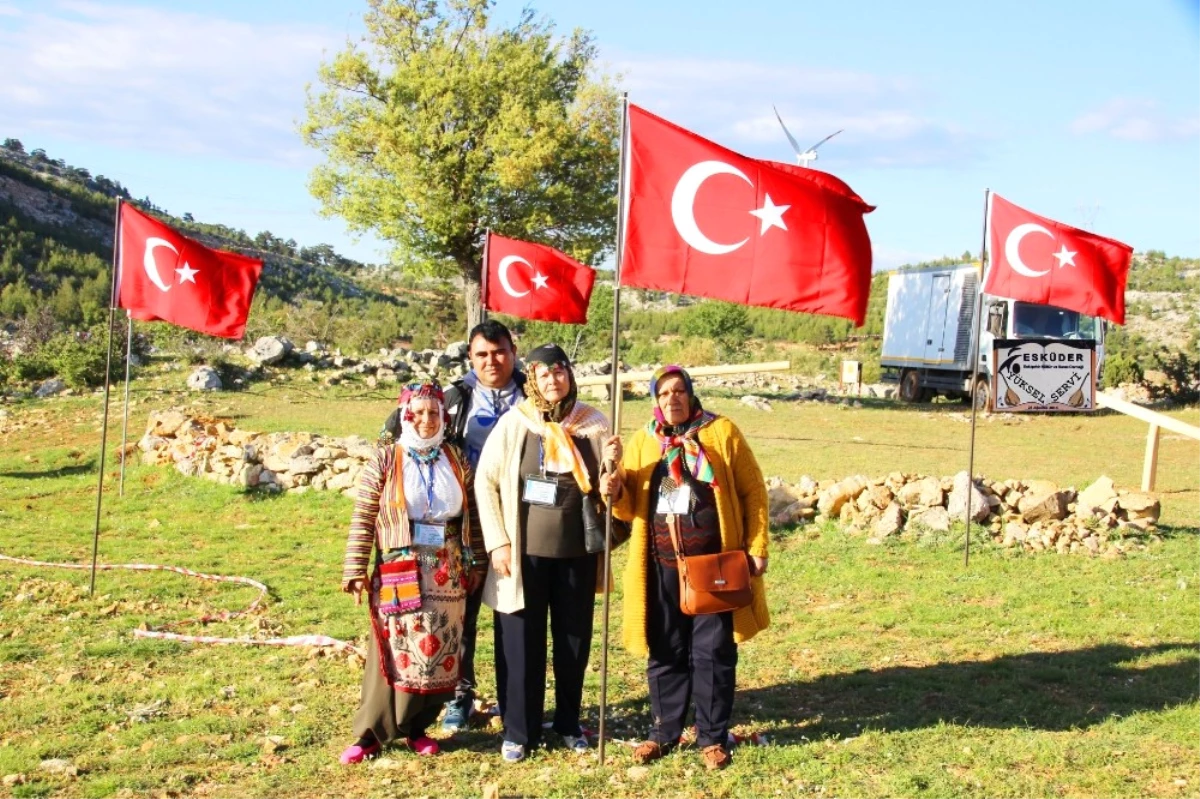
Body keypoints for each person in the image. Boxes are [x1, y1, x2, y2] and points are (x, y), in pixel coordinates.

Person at [600, 365, 769, 771]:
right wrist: (613, 482)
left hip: (715, 565)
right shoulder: (643, 442)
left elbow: (754, 492)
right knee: (666, 649)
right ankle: (664, 732)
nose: (672, 398)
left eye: (679, 391)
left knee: (713, 651)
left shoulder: (721, 433)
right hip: (661, 567)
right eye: (663, 393)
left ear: (691, 396)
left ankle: (712, 737)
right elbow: (627, 507)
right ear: (655, 400)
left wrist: (757, 546)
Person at [474, 343, 618, 763]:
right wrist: (498, 541)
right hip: (521, 556)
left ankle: (569, 723)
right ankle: (520, 730)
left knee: (573, 641)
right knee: (520, 642)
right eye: (543, 374)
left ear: (570, 375)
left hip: (576, 552)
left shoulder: (593, 424)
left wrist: (615, 474)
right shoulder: (515, 423)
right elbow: (486, 483)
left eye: (560, 372)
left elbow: (610, 489)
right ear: (532, 381)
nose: (553, 380)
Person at [339, 382, 486, 764]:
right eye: (417, 413)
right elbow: (364, 514)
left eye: (434, 412)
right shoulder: (386, 459)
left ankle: (417, 728)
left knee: (437, 652)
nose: (426, 419)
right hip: (399, 569)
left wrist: (478, 564)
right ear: (405, 416)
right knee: (392, 648)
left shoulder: (456, 459)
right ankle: (371, 734)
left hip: (448, 570)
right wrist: (356, 567)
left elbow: (473, 516)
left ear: (444, 417)